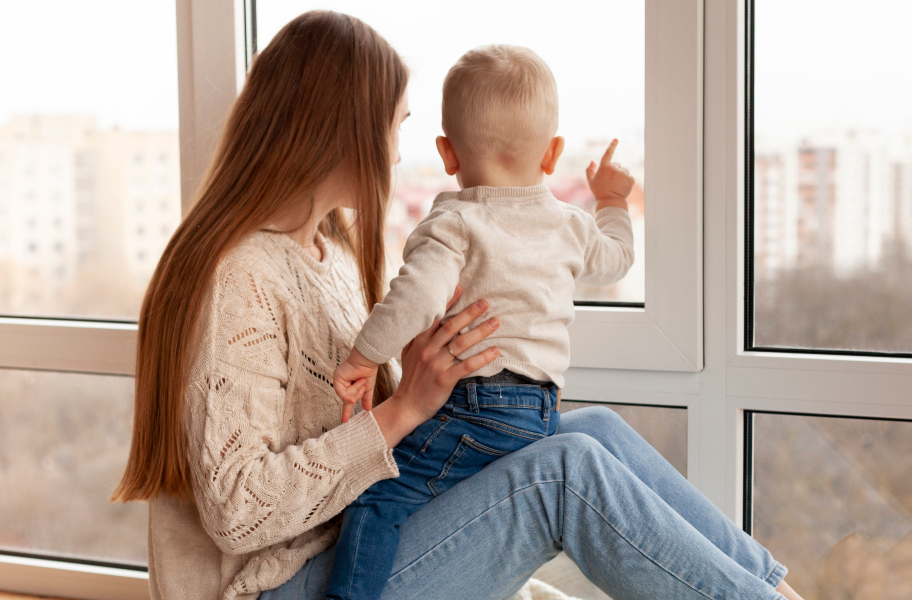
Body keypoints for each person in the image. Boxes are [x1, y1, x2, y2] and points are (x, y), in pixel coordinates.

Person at [111, 10, 803, 600]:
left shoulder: (331, 255)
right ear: (341, 132)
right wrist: (405, 407)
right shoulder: (241, 277)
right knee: (566, 473)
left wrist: (427, 378)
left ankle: (770, 589)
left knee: (589, 431)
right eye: (394, 125)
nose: (398, 148)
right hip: (278, 584)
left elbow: (366, 432)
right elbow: (241, 511)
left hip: (348, 544)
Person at [324, 44, 635, 600]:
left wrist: (362, 357)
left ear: (446, 153)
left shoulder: (456, 221)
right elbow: (616, 258)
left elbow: (415, 296)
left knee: (377, 496)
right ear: (552, 153)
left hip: (476, 404)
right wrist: (610, 201)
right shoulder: (569, 224)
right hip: (540, 410)